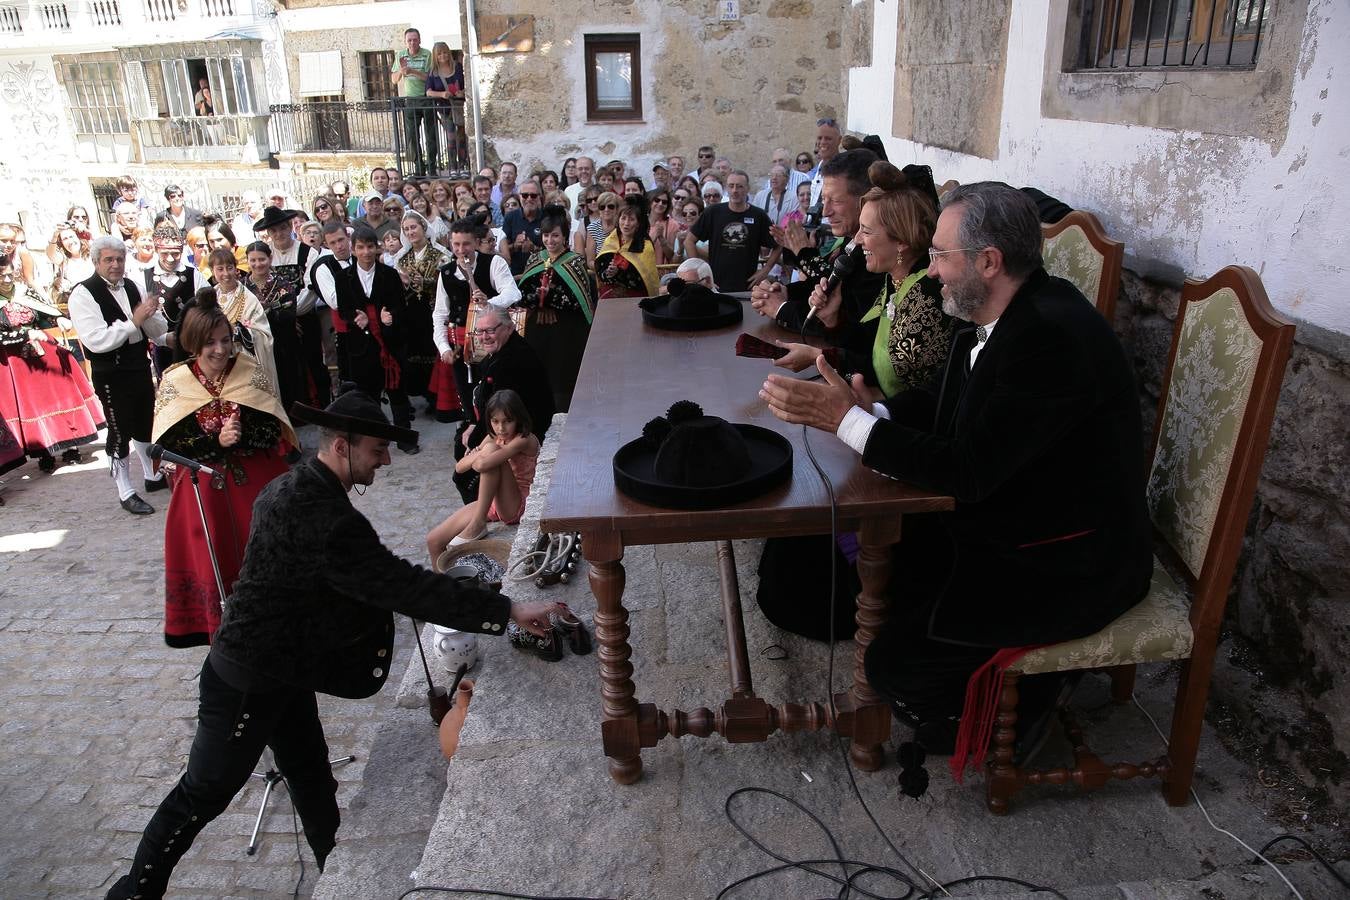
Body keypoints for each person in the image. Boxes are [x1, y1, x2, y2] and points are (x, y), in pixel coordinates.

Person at [104, 386, 560, 900]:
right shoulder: (322, 514)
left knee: (313, 781)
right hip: (246, 684)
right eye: (376, 450)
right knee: (201, 794)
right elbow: (401, 585)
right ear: (341, 446)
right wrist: (509, 610)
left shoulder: (291, 488)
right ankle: (133, 893)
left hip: (285, 674)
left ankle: (335, 880)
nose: (385, 460)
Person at [758, 182, 1153, 753]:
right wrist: (876, 411)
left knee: (895, 669)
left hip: (1062, 560)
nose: (933, 269)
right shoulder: (999, 312)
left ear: (988, 262)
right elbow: (951, 411)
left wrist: (847, 422)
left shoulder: (1049, 337)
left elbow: (969, 469)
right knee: (796, 568)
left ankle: (1034, 698)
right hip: (996, 521)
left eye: (941, 255)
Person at [151, 293, 295, 647]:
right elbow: (170, 443)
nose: (220, 350)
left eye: (226, 340)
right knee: (213, 554)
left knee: (266, 549)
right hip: (203, 491)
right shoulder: (175, 381)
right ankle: (222, 629)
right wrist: (217, 442)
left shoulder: (248, 370)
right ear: (193, 344)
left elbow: (272, 428)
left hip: (257, 484)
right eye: (210, 343)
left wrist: (241, 433)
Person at [67, 236, 169, 514]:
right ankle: (125, 490)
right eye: (109, 260)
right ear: (96, 262)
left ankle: (151, 475)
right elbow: (96, 340)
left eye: (120, 259)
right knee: (119, 429)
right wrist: (133, 321)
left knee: (144, 421)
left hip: (137, 365)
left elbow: (153, 329)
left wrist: (160, 326)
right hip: (110, 371)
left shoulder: (133, 285)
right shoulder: (83, 294)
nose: (115, 265)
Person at [753, 149, 883, 336]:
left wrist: (780, 308)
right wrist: (783, 292)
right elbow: (826, 286)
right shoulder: (850, 239)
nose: (825, 212)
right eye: (823, 199)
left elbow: (848, 326)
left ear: (866, 200)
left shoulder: (877, 253)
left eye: (836, 201)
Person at [0, 258, 103, 472]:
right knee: (33, 406)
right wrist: (25, 333)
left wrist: (58, 321)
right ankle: (44, 453)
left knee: (60, 399)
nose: (8, 279)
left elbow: (46, 315)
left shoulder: (24, 292)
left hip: (43, 354)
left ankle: (71, 445)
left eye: (10, 274)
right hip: (16, 364)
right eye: (2, 276)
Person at [450, 306, 553, 504]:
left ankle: (483, 510)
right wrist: (472, 424)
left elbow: (500, 415)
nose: (483, 337)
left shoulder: (512, 361)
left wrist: (474, 445)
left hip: (523, 430)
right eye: (479, 331)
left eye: (490, 330)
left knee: (465, 465)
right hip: (504, 424)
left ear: (509, 327)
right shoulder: (503, 351)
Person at [430, 213, 520, 423]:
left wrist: (489, 303)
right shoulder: (446, 272)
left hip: (492, 343)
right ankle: (473, 432)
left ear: (477, 243)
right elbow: (441, 313)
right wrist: (443, 347)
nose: (461, 250)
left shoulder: (493, 263)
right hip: (460, 347)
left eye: (466, 244)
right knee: (467, 399)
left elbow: (513, 293)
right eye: (456, 245)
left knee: (496, 397)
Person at [426, 388, 538, 556]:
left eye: (507, 421)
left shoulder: (523, 439)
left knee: (492, 450)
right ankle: (443, 581)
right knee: (434, 540)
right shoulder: (495, 436)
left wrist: (482, 451)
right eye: (495, 421)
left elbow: (482, 466)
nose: (501, 428)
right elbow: (459, 468)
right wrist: (483, 451)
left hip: (518, 504)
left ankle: (478, 524)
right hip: (493, 502)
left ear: (518, 418)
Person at [514, 204, 595, 412]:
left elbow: (580, 300)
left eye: (556, 236)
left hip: (566, 333)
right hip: (537, 330)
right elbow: (522, 294)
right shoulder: (534, 258)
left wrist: (551, 300)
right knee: (538, 373)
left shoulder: (575, 262)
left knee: (562, 377)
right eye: (547, 235)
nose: (550, 241)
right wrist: (540, 304)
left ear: (565, 236)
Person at [347, 225, 417, 452]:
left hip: (390, 342)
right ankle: (374, 443)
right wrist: (365, 318)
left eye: (369, 247)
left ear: (377, 249)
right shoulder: (344, 277)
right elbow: (345, 310)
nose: (366, 252)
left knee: (397, 391)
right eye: (360, 247)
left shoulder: (389, 275)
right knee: (369, 395)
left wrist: (387, 317)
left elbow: (400, 306)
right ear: (353, 249)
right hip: (362, 345)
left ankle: (405, 438)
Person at [255, 205, 327, 407]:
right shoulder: (265, 256)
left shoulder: (308, 253)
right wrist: (283, 317)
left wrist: (291, 313)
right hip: (276, 323)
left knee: (313, 361)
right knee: (284, 365)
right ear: (269, 233)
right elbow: (260, 289)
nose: (279, 234)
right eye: (274, 230)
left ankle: (320, 405)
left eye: (282, 228)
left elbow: (310, 288)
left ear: (290, 227)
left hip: (304, 318)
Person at [394, 210, 452, 414]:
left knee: (433, 351)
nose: (411, 232)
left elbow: (447, 281)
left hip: (432, 310)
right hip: (411, 314)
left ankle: (436, 397)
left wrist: (425, 281)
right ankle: (422, 394)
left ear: (423, 228)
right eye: (406, 229)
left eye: (414, 227)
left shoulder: (440, 254)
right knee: (414, 352)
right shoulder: (402, 257)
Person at [686, 170, 779, 293]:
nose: (735, 190)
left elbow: (778, 244)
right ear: (726, 188)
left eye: (740, 186)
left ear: (747, 189)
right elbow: (689, 241)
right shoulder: (713, 212)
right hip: (716, 287)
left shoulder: (758, 215)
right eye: (731, 186)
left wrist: (766, 270)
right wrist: (699, 274)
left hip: (748, 287)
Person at [245, 241, 304, 412]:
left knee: (287, 379)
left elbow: (288, 313)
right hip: (255, 346)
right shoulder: (243, 287)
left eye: (262, 259)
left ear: (270, 259)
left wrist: (264, 313)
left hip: (283, 343)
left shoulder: (283, 284)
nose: (257, 264)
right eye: (253, 260)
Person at [208, 250, 277, 395]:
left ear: (236, 268)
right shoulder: (210, 298)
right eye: (220, 269)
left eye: (230, 268)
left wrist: (240, 332)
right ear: (212, 271)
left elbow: (263, 335)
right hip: (217, 361)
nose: (226, 274)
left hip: (244, 362)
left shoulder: (249, 298)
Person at [141, 225, 205, 369]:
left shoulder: (193, 275)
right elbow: (142, 316)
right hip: (162, 348)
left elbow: (207, 307)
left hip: (192, 345)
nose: (170, 259)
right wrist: (162, 339)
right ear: (157, 250)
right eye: (165, 253)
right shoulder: (144, 278)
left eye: (175, 253)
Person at [392, 27, 436, 175]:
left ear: (419, 40)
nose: (412, 43)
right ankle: (419, 167)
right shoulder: (401, 55)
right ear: (405, 42)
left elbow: (430, 78)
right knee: (412, 136)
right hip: (410, 101)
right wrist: (401, 71)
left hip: (426, 98)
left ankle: (432, 166)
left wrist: (412, 71)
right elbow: (394, 79)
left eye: (415, 40)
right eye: (409, 40)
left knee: (431, 135)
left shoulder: (427, 54)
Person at [597, 196, 658, 299]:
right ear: (618, 219)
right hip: (609, 298)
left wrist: (619, 272)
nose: (626, 224)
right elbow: (600, 270)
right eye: (623, 218)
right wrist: (608, 273)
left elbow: (644, 281)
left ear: (638, 223)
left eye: (631, 219)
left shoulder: (645, 246)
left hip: (635, 299)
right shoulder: (611, 240)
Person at [425, 43, 466, 172]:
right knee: (451, 138)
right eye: (439, 54)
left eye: (445, 52)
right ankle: (453, 167)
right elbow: (428, 91)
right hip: (444, 109)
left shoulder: (458, 67)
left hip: (459, 107)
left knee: (461, 137)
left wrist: (462, 92)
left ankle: (463, 165)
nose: (443, 56)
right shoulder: (433, 72)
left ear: (449, 53)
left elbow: (467, 85)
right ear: (435, 57)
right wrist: (442, 94)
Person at [47, 221, 94, 311]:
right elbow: (51, 255)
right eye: (65, 239)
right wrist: (55, 236)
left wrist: (87, 231)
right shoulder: (64, 260)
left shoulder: (92, 253)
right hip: (79, 305)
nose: (70, 241)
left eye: (71, 237)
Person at [499, 180, 543, 275]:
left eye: (533, 195)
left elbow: (554, 250)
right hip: (516, 273)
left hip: (541, 272)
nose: (529, 199)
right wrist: (515, 246)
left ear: (539, 197)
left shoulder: (547, 217)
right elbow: (503, 250)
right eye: (525, 195)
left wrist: (534, 248)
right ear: (519, 196)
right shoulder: (510, 217)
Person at [808, 117, 843, 207]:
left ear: (839, 140)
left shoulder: (844, 171)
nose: (822, 142)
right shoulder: (817, 169)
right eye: (820, 138)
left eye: (828, 139)